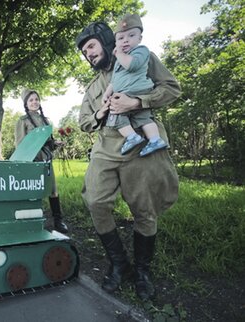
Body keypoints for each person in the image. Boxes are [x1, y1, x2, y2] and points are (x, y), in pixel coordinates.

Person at [75, 19, 180, 300]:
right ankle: (119, 264)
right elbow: (85, 122)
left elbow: (171, 88)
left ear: (106, 42)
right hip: (106, 147)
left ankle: (142, 271)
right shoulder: (93, 87)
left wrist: (137, 103)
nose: (89, 54)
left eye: (92, 47)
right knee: (96, 200)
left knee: (145, 210)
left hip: (141, 144)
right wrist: (100, 112)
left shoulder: (141, 56)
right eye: (85, 52)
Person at [101, 14, 167, 156]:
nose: (125, 41)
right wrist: (108, 92)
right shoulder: (119, 59)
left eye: (131, 36)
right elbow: (115, 79)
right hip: (130, 91)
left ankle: (132, 137)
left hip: (135, 90)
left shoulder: (141, 51)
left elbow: (131, 65)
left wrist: (118, 53)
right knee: (143, 118)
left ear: (139, 38)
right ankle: (155, 139)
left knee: (115, 113)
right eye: (120, 38)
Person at [14, 89, 69, 234]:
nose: (34, 102)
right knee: (33, 191)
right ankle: (32, 222)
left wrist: (56, 143)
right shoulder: (22, 121)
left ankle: (58, 220)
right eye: (31, 100)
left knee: (53, 190)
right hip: (32, 161)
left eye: (36, 99)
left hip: (46, 160)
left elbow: (49, 142)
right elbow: (20, 143)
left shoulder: (46, 120)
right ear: (26, 103)